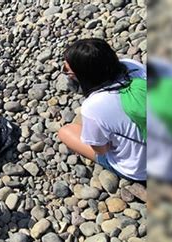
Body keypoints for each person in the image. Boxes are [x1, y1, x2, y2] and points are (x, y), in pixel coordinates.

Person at [57, 38, 147, 182]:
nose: (66, 74)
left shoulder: (93, 106)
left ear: (83, 75)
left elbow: (101, 150)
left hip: (143, 171)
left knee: (65, 131)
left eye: (67, 71)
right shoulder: (133, 66)